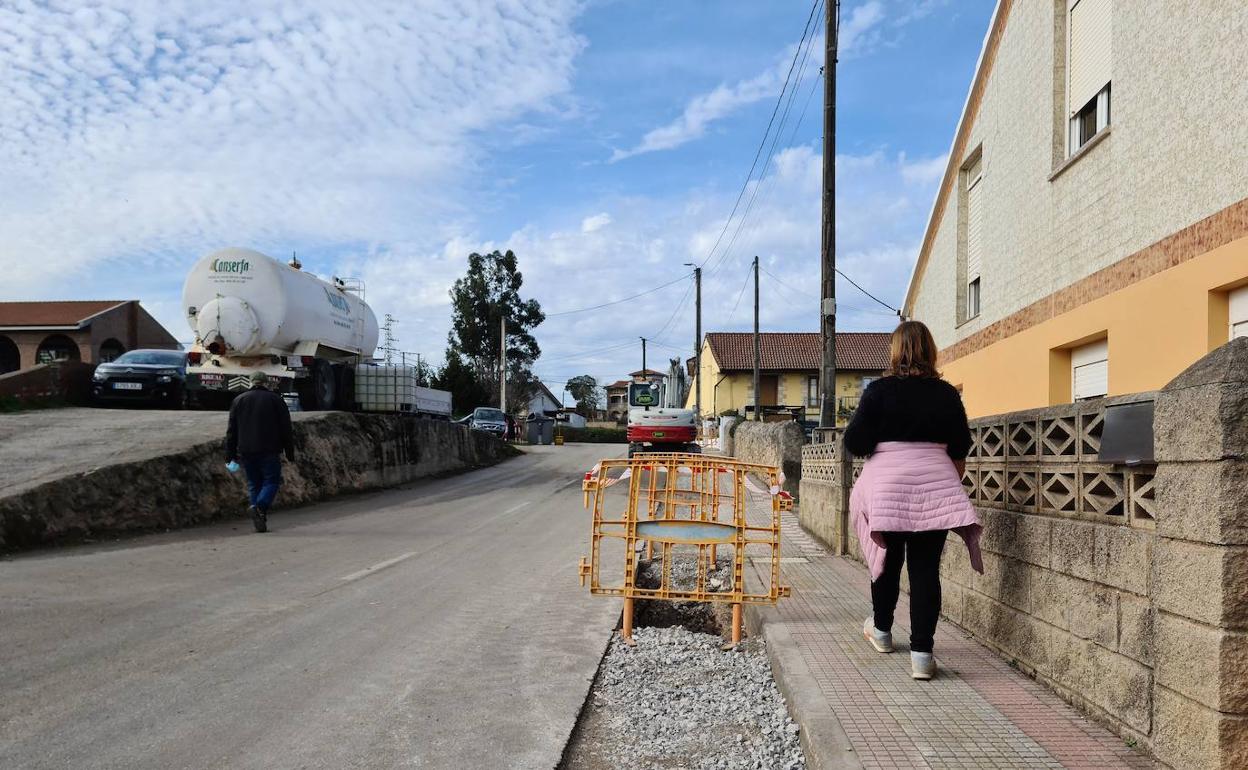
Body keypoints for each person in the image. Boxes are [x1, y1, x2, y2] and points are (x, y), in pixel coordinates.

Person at [843, 320, 983, 680]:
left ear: (895, 351)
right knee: (925, 569)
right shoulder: (947, 394)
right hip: (935, 487)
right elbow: (961, 446)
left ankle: (882, 631)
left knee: (887, 561)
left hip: (888, 489)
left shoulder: (878, 392)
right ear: (930, 351)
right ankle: (922, 654)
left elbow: (856, 443)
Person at [225, 371, 295, 533]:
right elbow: (286, 429)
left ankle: (259, 516)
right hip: (269, 449)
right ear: (266, 383)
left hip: (246, 450)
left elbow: (231, 431)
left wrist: (230, 455)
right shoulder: (276, 400)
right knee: (271, 481)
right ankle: (260, 507)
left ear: (251, 382)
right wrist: (289, 452)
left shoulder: (238, 400)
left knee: (254, 483)